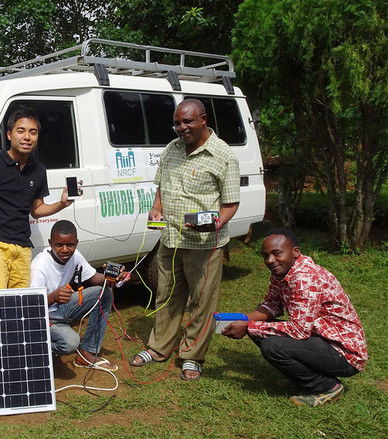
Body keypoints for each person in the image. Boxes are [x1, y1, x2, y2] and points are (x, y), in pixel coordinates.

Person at [130, 99, 240, 380]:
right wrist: (157, 208)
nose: (181, 128)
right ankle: (158, 348)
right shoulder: (171, 149)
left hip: (205, 244)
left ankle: (192, 355)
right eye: (177, 123)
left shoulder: (223, 155)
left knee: (201, 301)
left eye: (187, 122)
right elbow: (161, 188)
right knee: (166, 295)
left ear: (203, 120)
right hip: (171, 239)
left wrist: (217, 223)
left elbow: (230, 204)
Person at [222, 229, 368, 406]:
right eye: (265, 255)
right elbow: (272, 305)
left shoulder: (304, 278)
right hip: (319, 338)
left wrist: (248, 326)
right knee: (259, 329)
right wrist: (242, 320)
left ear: (295, 252)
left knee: (272, 345)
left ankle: (328, 386)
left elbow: (299, 331)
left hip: (344, 353)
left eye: (276, 253)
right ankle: (303, 377)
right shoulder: (283, 271)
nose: (269, 260)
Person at [0, 106, 72, 290]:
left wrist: (61, 203)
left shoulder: (39, 170)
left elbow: (36, 210)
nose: (27, 137)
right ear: (10, 135)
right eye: (21, 131)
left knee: (18, 307)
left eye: (32, 132)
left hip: (22, 249)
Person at [31, 220, 127, 371]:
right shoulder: (39, 266)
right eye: (59, 245)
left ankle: (87, 353)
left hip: (61, 309)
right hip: (43, 317)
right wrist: (53, 297)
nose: (65, 250)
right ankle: (29, 349)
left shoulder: (75, 256)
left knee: (104, 293)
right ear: (50, 243)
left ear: (76, 243)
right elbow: (31, 308)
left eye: (70, 245)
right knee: (70, 343)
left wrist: (111, 277)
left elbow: (94, 278)